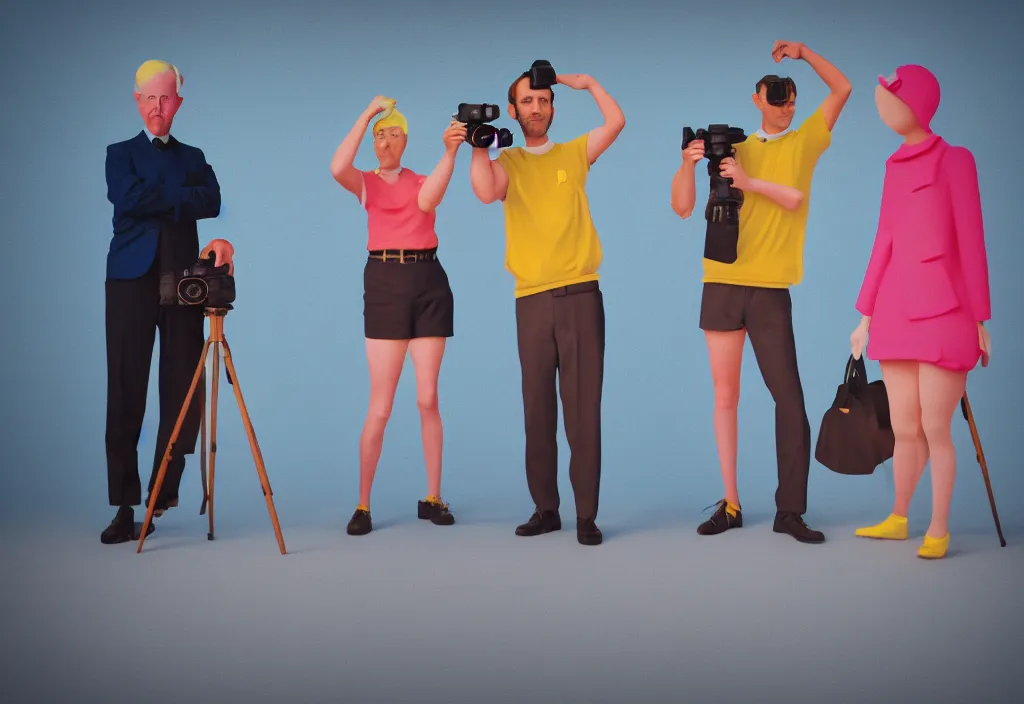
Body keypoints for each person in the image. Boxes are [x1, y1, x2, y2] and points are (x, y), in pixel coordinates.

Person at [670, 41, 852, 544]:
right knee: (725, 396)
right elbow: (683, 209)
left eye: (791, 95)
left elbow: (843, 89)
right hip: (722, 283)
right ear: (756, 100)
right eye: (775, 95)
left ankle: (790, 511)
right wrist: (688, 163)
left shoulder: (805, 142)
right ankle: (729, 503)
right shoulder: (731, 149)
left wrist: (803, 53)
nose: (785, 102)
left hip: (770, 286)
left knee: (788, 398)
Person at [468, 65, 625, 546]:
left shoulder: (575, 152)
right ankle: (546, 509)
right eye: (527, 102)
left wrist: (589, 84)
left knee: (583, 412)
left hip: (580, 294)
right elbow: (484, 191)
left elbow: (616, 122)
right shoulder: (507, 162)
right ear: (513, 111)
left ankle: (586, 516)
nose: (537, 108)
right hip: (531, 299)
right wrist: (476, 146)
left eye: (544, 100)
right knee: (537, 411)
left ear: (552, 108)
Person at [850, 65, 992, 560]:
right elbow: (883, 240)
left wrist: (980, 318)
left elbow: (972, 243)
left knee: (936, 426)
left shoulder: (956, 161)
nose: (882, 109)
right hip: (895, 310)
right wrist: (865, 314)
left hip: (946, 312)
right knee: (904, 426)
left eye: (888, 100)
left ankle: (939, 527)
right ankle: (898, 515)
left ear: (916, 104)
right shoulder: (893, 166)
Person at [102, 60, 231, 544]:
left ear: (178, 102)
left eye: (167, 98)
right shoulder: (120, 154)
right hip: (129, 280)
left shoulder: (193, 154)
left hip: (183, 279)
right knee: (125, 389)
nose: (158, 107)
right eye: (150, 98)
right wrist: (182, 197)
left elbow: (212, 200)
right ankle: (123, 505)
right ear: (138, 101)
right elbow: (125, 196)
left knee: (182, 390)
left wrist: (160, 195)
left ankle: (159, 497)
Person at [330, 97, 466, 536]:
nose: (384, 140)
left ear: (406, 139)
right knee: (382, 405)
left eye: (392, 132)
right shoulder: (366, 183)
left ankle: (433, 497)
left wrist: (451, 152)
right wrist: (367, 114)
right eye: (378, 134)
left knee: (428, 398)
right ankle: (363, 504)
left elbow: (429, 201)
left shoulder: (423, 179)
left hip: (428, 282)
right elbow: (337, 167)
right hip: (385, 283)